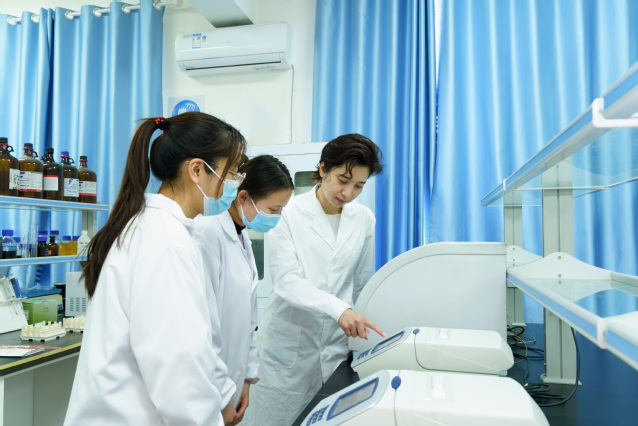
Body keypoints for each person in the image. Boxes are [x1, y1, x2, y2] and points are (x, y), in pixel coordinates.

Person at [64, 112, 246, 426]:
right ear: (197, 170)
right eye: (231, 173)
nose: (234, 183)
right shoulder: (166, 242)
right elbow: (178, 374)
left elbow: (193, 345)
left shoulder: (154, 228)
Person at [245, 134, 386, 425]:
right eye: (343, 180)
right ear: (323, 168)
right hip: (286, 350)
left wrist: (359, 336)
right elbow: (287, 281)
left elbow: (361, 282)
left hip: (335, 348)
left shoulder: (364, 218)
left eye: (359, 185)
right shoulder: (288, 211)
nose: (348, 192)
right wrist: (339, 310)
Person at [194, 155, 294, 425]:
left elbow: (248, 324)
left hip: (232, 383)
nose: (277, 217)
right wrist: (221, 396)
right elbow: (202, 328)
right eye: (273, 209)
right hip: (208, 389)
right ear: (243, 197)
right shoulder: (207, 234)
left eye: (281, 210)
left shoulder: (241, 236)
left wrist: (246, 380)